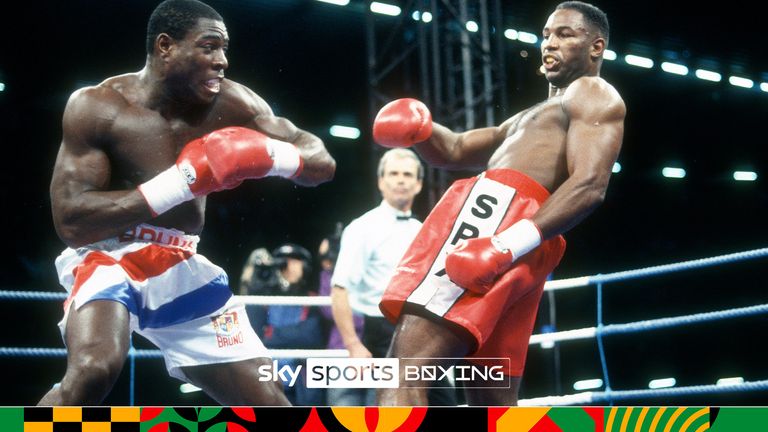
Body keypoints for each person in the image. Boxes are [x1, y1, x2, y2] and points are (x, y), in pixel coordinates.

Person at [42, 0, 335, 406]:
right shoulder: (99, 106)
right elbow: (73, 222)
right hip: (108, 253)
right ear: (166, 47)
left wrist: (274, 157)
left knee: (269, 399)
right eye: (209, 47)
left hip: (179, 259)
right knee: (93, 370)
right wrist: (180, 184)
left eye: (225, 49)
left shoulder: (233, 105)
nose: (222, 61)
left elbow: (321, 160)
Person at [373, 1, 625, 406]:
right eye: (545, 35)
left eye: (565, 34)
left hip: (499, 221)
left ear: (596, 47)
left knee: (407, 368)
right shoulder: (528, 118)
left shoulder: (592, 92)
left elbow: (590, 184)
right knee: (490, 394)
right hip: (522, 245)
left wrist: (504, 244)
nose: (549, 43)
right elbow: (455, 150)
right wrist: (421, 129)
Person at [330, 149, 456, 406]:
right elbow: (339, 288)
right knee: (389, 411)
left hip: (425, 327)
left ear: (419, 184)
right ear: (381, 181)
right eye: (394, 174)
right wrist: (353, 345)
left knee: (445, 401)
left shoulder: (422, 230)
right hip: (380, 331)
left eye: (408, 174)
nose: (401, 180)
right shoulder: (362, 228)